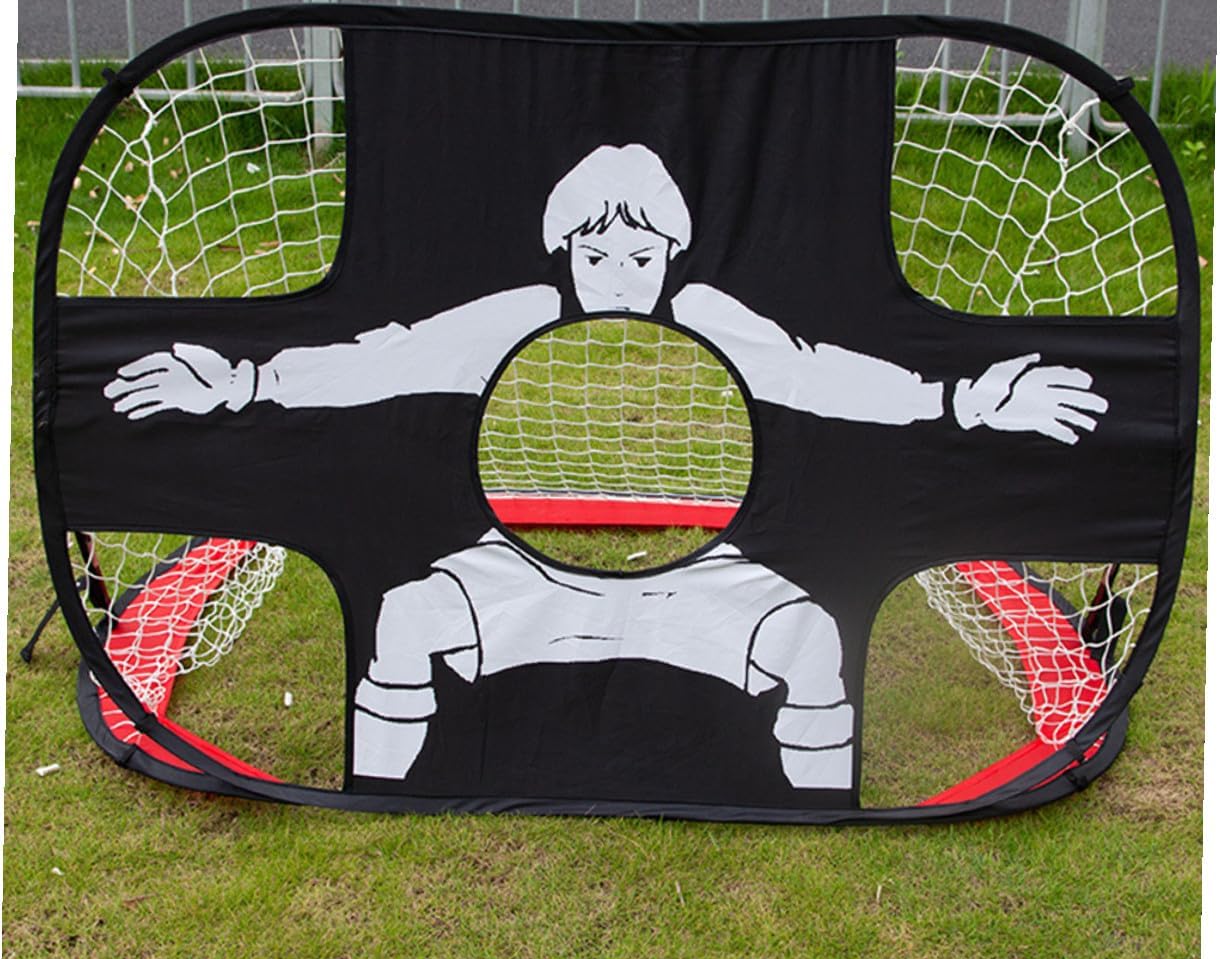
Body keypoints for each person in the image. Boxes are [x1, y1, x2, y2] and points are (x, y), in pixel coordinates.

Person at [104, 144, 1108, 790]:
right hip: (521, 571)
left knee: (810, 642)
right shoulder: (522, 318)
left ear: (670, 254)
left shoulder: (707, 318)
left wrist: (960, 401)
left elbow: (816, 372)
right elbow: (388, 358)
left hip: (702, 577)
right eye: (596, 256)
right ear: (566, 255)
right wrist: (241, 381)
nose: (618, 275)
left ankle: (822, 811)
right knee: (404, 620)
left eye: (638, 257)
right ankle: (378, 796)